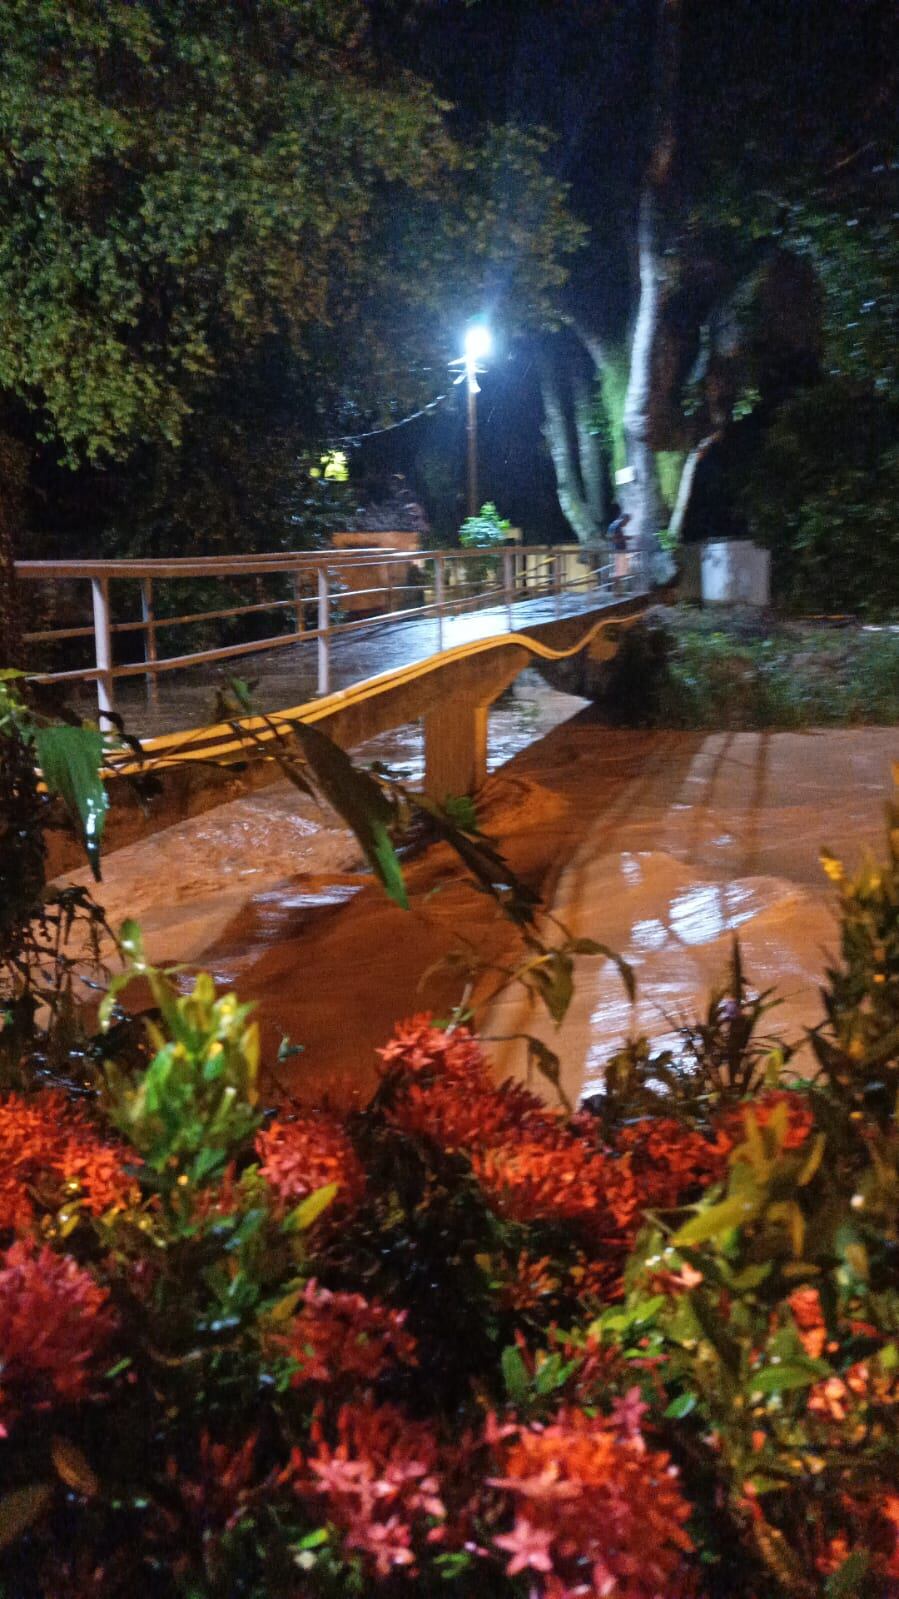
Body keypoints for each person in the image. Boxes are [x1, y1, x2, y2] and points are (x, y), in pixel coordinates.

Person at [607, 504, 632, 592]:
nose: (627, 524)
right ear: (623, 519)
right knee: (618, 571)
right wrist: (625, 538)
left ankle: (618, 589)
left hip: (619, 551)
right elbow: (612, 539)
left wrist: (625, 538)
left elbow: (616, 538)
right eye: (627, 522)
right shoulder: (615, 526)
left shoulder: (617, 526)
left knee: (621, 571)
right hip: (617, 551)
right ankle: (615, 590)